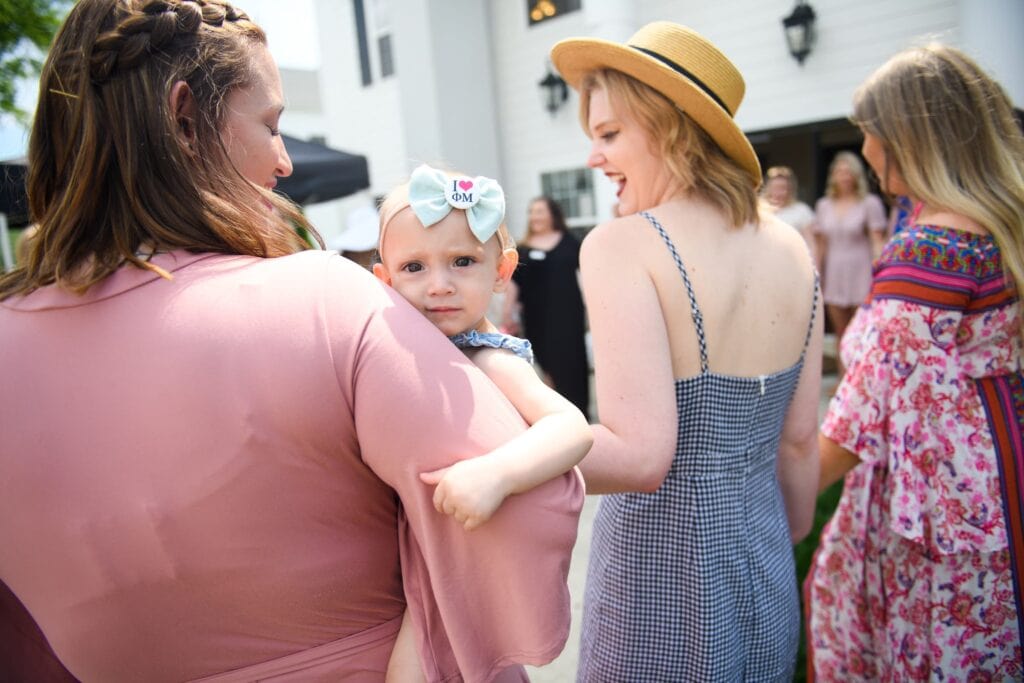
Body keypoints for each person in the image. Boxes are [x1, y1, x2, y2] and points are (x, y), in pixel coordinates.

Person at [0, 1, 583, 681]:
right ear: (186, 120)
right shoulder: (327, 302)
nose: (283, 162)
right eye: (271, 124)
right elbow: (523, 501)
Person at [550, 21, 823, 680]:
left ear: (671, 130)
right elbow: (800, 441)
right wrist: (768, 545)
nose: (595, 158)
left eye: (609, 135)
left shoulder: (622, 245)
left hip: (659, 574)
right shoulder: (792, 245)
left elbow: (642, 455)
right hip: (765, 564)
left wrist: (510, 453)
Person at [807, 44, 1024, 681]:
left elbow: (858, 415)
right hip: (1000, 456)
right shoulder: (1000, 223)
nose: (865, 147)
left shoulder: (929, 250)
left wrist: (776, 498)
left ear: (905, 135)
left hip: (943, 489)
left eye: (869, 130)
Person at [372, 163, 591, 532]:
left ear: (501, 272)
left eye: (462, 261)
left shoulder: (488, 357)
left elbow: (571, 427)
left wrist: (497, 473)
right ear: (386, 280)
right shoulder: (407, 349)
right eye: (414, 267)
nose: (439, 285)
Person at [506, 196, 590, 419]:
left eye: (540, 211)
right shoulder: (522, 249)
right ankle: (557, 418)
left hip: (569, 318)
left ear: (553, 214)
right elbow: (513, 286)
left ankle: (581, 415)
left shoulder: (570, 243)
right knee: (546, 367)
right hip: (537, 320)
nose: (535, 216)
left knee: (572, 365)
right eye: (532, 212)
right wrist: (508, 315)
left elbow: (586, 277)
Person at [812, 151, 887, 376]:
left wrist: (880, 270)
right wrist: (817, 274)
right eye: (839, 171)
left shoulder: (869, 203)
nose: (844, 176)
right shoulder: (824, 205)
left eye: (848, 172)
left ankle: (865, 378)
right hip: (835, 270)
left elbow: (876, 239)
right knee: (840, 332)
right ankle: (844, 378)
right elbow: (821, 245)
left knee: (864, 330)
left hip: (861, 270)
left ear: (856, 175)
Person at [762, 165, 816, 264]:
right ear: (768, 189)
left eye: (783, 188)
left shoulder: (802, 211)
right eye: (775, 188)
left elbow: (811, 244)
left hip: (794, 264)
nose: (779, 193)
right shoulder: (760, 211)